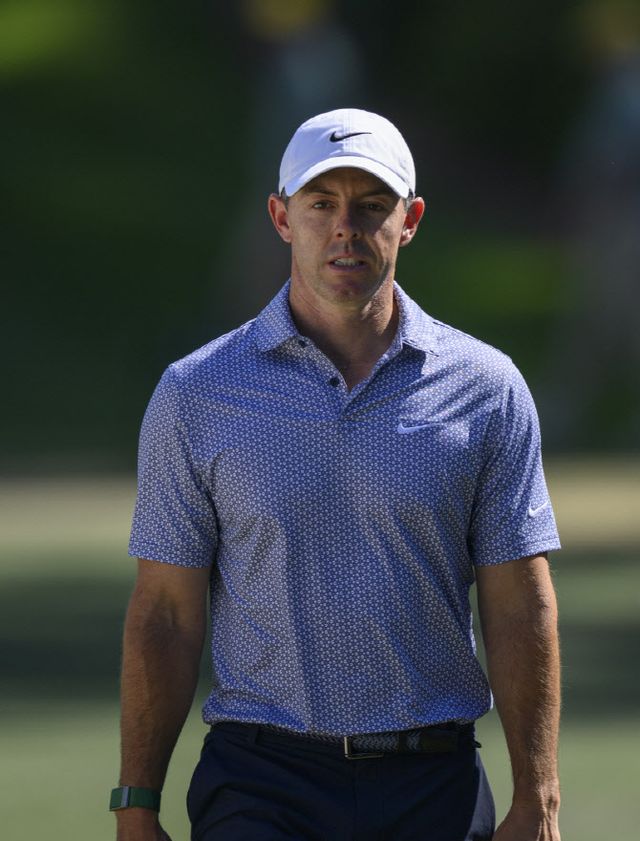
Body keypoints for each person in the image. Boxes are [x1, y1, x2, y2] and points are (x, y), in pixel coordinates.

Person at [112, 108, 562, 841]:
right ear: (281, 218)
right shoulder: (196, 393)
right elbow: (165, 612)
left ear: (410, 220)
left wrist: (538, 794)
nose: (345, 228)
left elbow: (519, 603)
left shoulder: (486, 388)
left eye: (372, 205)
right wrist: (136, 802)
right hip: (260, 779)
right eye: (321, 204)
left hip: (433, 782)